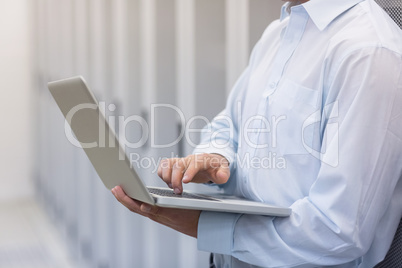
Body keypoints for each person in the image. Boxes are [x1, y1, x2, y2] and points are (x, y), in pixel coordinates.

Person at [112, 0, 402, 267]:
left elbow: (338, 230)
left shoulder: (368, 53)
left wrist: (204, 226)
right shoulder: (278, 33)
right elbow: (230, 124)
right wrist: (215, 157)